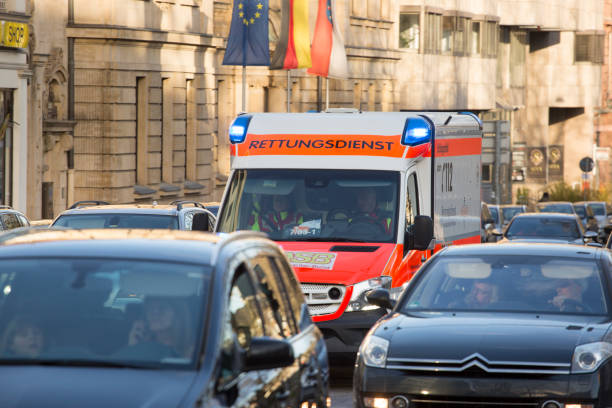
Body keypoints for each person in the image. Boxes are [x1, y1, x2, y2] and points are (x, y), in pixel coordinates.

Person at [128, 297, 193, 358]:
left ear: (177, 313)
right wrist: (134, 347)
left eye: (162, 308)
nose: (155, 312)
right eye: (150, 308)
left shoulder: (192, 352)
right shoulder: (143, 345)